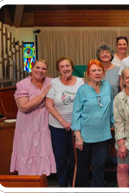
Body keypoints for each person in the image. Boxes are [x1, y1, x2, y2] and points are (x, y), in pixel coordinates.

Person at [71, 59, 113, 187]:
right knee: (83, 167)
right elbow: (76, 113)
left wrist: (114, 124)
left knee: (99, 165)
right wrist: (78, 135)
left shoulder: (107, 86)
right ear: (88, 73)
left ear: (103, 72)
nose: (97, 73)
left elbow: (110, 109)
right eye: (93, 70)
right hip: (85, 136)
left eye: (99, 70)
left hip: (103, 135)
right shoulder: (82, 90)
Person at [10, 59, 56, 176]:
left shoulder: (51, 82)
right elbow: (24, 107)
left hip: (45, 123)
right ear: (32, 68)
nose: (40, 71)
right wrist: (43, 94)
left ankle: (43, 181)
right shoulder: (22, 84)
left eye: (43, 69)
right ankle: (29, 181)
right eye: (37, 67)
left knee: (43, 149)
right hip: (28, 124)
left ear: (47, 71)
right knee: (28, 150)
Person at [46, 56, 85, 187]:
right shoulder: (54, 83)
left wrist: (76, 123)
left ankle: (74, 185)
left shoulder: (81, 82)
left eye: (67, 66)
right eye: (62, 67)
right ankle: (62, 186)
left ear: (72, 67)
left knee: (75, 159)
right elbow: (49, 105)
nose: (65, 69)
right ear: (59, 70)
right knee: (61, 158)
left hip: (77, 127)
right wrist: (63, 122)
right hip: (57, 126)